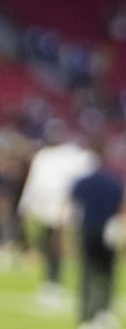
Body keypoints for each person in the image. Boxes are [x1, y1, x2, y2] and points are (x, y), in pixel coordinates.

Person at [18, 121, 94, 307]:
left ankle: (54, 281)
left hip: (60, 206)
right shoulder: (44, 156)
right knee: (48, 245)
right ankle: (50, 281)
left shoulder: (68, 156)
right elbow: (35, 183)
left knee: (57, 246)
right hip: (45, 206)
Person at [71, 139, 123, 328]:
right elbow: (120, 204)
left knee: (87, 273)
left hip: (88, 229)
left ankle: (85, 314)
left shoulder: (86, 180)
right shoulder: (114, 180)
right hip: (109, 231)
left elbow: (74, 198)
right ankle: (104, 312)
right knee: (107, 273)